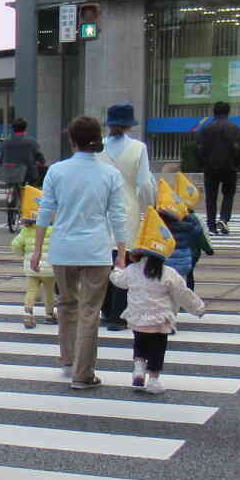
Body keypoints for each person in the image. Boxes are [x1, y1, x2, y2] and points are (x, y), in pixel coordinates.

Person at [31, 115, 129, 390]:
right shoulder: (110, 174)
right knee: (90, 310)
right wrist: (121, 252)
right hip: (96, 249)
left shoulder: (57, 171)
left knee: (66, 304)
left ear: (72, 140)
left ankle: (67, 359)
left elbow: (45, 212)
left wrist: (38, 249)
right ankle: (83, 373)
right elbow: (118, 217)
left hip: (63, 248)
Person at [110, 215, 206, 393]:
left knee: (139, 344)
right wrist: (198, 308)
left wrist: (117, 267)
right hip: (160, 320)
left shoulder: (132, 270)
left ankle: (138, 368)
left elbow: (118, 281)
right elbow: (183, 293)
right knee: (157, 349)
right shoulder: (169, 273)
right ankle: (153, 380)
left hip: (137, 317)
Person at [98, 103, 155, 330]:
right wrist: (149, 208)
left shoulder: (99, 147)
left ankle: (104, 307)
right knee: (124, 260)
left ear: (109, 124)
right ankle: (118, 314)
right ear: (130, 125)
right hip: (128, 206)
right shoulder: (138, 148)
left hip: (101, 209)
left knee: (104, 259)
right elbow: (144, 184)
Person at [194, 101, 240, 235]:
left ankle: (211, 226)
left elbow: (199, 148)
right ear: (228, 112)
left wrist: (202, 164)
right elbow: (239, 149)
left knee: (211, 197)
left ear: (214, 112)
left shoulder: (205, 128)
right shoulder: (234, 128)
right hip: (229, 167)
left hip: (210, 168)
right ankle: (224, 219)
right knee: (228, 194)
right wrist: (237, 164)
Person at [11, 203, 58, 327]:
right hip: (49, 268)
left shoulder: (26, 230)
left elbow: (15, 245)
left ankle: (28, 312)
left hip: (31, 266)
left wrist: (24, 254)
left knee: (31, 290)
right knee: (49, 292)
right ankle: (49, 315)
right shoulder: (53, 230)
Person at [0, 117, 42, 230]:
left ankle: (11, 205)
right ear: (25, 128)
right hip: (26, 172)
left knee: (12, 184)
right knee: (32, 185)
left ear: (13, 128)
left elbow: (0, 156)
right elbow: (38, 155)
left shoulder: (6, 142)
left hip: (8, 171)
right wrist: (41, 162)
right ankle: (28, 208)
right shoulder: (30, 141)